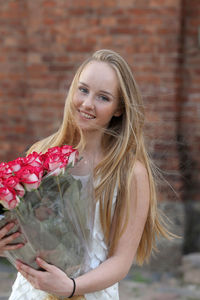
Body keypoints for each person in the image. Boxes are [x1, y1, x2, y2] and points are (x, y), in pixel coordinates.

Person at [0, 49, 171, 300]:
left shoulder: (130, 173)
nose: (87, 103)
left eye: (103, 97)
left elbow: (121, 261)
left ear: (119, 108)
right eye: (83, 90)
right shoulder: (42, 153)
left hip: (90, 293)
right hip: (31, 292)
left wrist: (71, 287)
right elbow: (24, 229)